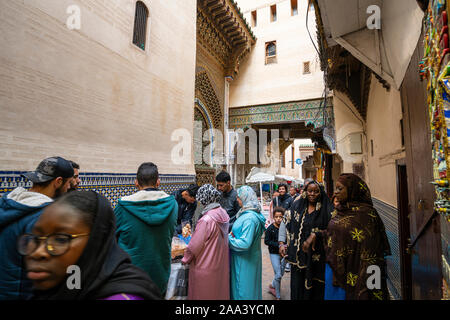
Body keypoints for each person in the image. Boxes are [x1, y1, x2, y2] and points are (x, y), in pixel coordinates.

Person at [19, 191, 161, 300]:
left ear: (96, 241)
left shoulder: (122, 295)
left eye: (61, 239)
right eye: (36, 239)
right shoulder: (67, 285)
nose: (38, 252)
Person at [0, 156, 74, 300]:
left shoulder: (8, 203)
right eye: (68, 183)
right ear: (58, 181)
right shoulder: (44, 216)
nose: (69, 188)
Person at [322, 173, 391, 300]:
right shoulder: (340, 210)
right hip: (335, 269)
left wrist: (368, 280)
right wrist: (317, 236)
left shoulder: (367, 215)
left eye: (340, 188)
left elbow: (372, 250)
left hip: (357, 272)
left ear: (352, 190)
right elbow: (335, 234)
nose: (335, 192)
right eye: (335, 188)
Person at [114, 162, 178, 295]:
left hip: (131, 277)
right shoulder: (172, 205)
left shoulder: (123, 207)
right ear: (158, 182)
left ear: (136, 182)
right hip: (160, 275)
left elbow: (112, 240)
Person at [279, 180, 332, 300]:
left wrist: (317, 235)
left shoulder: (327, 210)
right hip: (297, 259)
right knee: (297, 288)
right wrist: (281, 243)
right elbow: (285, 222)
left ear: (320, 193)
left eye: (316, 191)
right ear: (305, 192)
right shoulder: (297, 206)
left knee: (315, 289)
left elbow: (333, 232)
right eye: (310, 191)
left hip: (316, 259)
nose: (312, 194)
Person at [181, 184, 230, 300]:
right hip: (220, 264)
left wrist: (185, 259)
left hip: (205, 266)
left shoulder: (206, 220)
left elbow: (194, 246)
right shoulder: (223, 213)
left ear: (204, 199)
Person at [229, 186, 266, 300]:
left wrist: (227, 239)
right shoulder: (248, 213)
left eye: (239, 198)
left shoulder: (249, 218)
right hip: (248, 259)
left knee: (244, 290)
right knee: (249, 287)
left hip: (245, 261)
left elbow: (245, 243)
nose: (237, 200)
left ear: (245, 198)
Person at [264, 207, 286, 300]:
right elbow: (266, 241)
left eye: (280, 217)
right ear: (273, 217)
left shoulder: (285, 227)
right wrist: (278, 245)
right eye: (276, 217)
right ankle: (278, 295)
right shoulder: (270, 228)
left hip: (285, 254)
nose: (278, 219)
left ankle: (272, 285)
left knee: (281, 273)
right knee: (278, 275)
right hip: (274, 254)